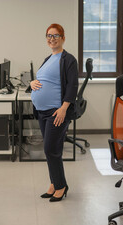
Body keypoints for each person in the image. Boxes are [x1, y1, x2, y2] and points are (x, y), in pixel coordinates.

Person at [30, 23, 78, 202]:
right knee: (50, 149)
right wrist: (31, 84)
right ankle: (54, 183)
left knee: (51, 150)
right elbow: (42, 80)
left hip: (56, 112)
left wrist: (64, 108)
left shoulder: (68, 60)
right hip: (42, 111)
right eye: (49, 35)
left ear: (63, 38)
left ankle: (61, 186)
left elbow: (72, 85)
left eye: (55, 35)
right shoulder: (48, 58)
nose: (51, 39)